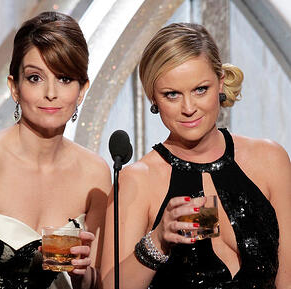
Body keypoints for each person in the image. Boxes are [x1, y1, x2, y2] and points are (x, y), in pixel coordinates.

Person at [101, 23, 291, 289]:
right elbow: (111, 286)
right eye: (172, 95)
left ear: (220, 82)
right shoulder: (137, 180)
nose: (189, 108)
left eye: (200, 89)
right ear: (153, 98)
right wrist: (157, 241)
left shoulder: (271, 160)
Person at [0, 11, 111, 289]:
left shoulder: (95, 173)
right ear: (15, 87)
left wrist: (83, 272)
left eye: (65, 78)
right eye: (35, 78)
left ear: (82, 90)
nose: (51, 93)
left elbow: (93, 282)